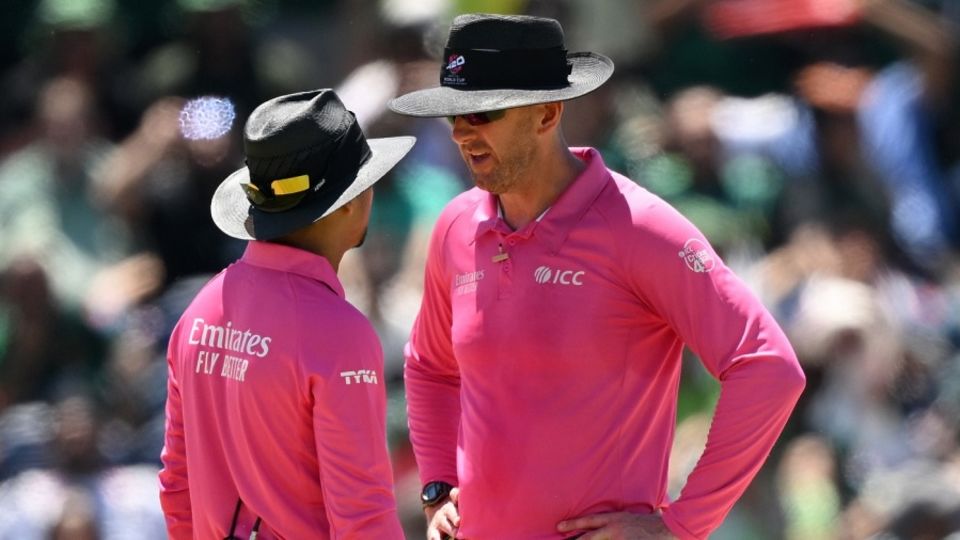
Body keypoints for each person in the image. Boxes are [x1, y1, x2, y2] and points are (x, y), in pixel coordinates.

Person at [389, 14, 806, 540]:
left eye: (481, 113)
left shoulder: (640, 227)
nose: (460, 133)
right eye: (453, 116)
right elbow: (429, 367)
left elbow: (768, 367)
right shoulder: (454, 225)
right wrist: (436, 487)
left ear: (547, 113)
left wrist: (682, 525)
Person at [158, 89, 414, 539]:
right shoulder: (339, 333)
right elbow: (363, 516)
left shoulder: (200, 310)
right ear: (352, 200)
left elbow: (177, 486)